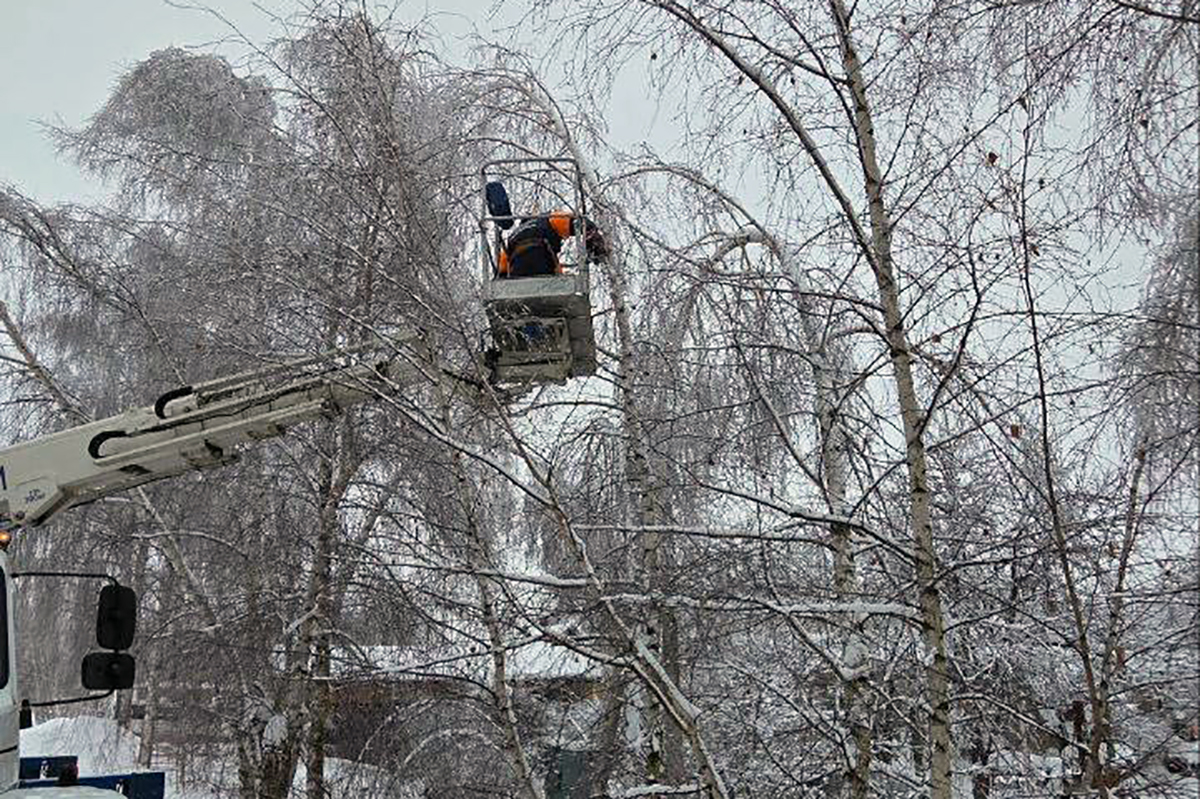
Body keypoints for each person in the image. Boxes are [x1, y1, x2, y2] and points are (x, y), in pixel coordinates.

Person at [496, 211, 608, 278]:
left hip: (518, 276)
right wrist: (594, 244)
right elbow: (579, 222)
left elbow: (502, 270)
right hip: (543, 266)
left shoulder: (511, 237)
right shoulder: (547, 219)